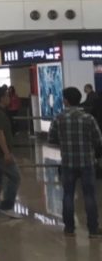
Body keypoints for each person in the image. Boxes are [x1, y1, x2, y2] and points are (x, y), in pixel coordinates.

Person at [48, 87, 102, 238]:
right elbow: (98, 140)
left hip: (68, 163)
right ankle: (93, 229)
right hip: (87, 162)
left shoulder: (59, 118)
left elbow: (51, 139)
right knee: (89, 195)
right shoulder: (88, 118)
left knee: (68, 195)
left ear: (66, 101)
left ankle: (70, 229)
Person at [0, 86, 23, 218]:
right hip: (0, 154)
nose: (9, 98)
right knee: (15, 177)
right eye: (7, 96)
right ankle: (7, 205)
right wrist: (7, 153)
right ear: (1, 98)